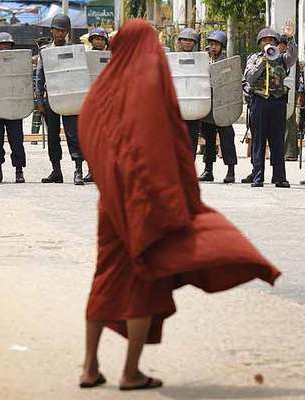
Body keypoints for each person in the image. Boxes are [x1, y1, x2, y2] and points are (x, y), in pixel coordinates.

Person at [78, 20, 280, 391]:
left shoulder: (101, 90)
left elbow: (88, 135)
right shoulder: (151, 87)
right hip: (147, 199)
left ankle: (89, 368)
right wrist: (183, 196)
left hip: (111, 202)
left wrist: (108, 179)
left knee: (105, 277)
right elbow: (170, 143)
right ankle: (130, 372)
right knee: (143, 282)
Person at [244, 22, 298, 188]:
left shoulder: (282, 58)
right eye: (264, 40)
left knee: (277, 141)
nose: (268, 43)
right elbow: (249, 77)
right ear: (260, 43)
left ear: (276, 43)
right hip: (259, 102)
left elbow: (293, 57)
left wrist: (290, 38)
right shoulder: (254, 58)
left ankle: (279, 177)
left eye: (271, 40)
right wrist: (262, 62)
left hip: (277, 102)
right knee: (258, 140)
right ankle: (258, 176)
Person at [35, 14, 85, 186]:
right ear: (52, 31)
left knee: (73, 135)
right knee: (53, 137)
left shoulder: (75, 51)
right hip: (51, 99)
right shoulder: (45, 51)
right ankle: (56, 171)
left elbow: (79, 75)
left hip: (70, 98)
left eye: (63, 30)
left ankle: (78, 170)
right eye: (57, 30)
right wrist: (39, 101)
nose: (60, 33)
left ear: (68, 32)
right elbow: (39, 77)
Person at [0, 32, 26, 184]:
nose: (6, 47)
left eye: (8, 45)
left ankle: (19, 171)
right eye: (3, 45)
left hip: (14, 106)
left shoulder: (18, 63)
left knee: (17, 141)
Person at [198, 31, 238, 183]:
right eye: (212, 44)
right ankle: (208, 170)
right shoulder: (204, 61)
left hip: (224, 107)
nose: (213, 47)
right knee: (208, 141)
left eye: (217, 45)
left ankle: (231, 171)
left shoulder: (227, 63)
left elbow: (233, 83)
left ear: (222, 47)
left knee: (227, 140)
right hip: (209, 108)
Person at [82, 27, 110, 184]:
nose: (99, 41)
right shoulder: (85, 57)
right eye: (96, 39)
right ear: (91, 40)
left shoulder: (113, 57)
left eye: (101, 39)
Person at [176, 27, 200, 157]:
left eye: (191, 40)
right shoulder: (172, 59)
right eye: (184, 40)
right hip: (177, 105)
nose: (187, 43)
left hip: (194, 104)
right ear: (179, 42)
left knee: (192, 139)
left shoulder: (201, 60)